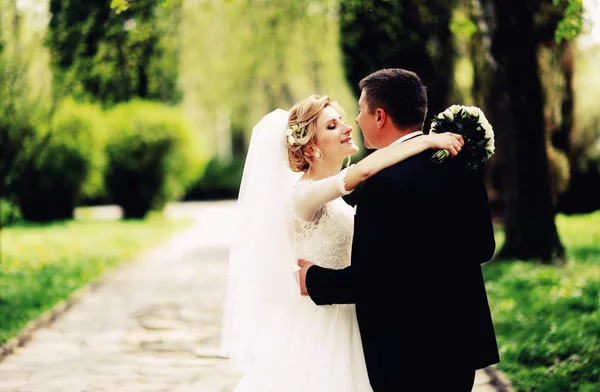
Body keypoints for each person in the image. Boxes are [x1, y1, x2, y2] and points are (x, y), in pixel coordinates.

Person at [220, 91, 465, 392]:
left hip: (354, 316)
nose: (347, 127)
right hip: (322, 324)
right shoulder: (304, 196)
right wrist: (426, 140)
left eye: (342, 120)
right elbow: (363, 170)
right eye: (332, 126)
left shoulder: (338, 200)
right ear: (311, 148)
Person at [298, 68, 500, 391]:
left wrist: (313, 279)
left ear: (380, 116)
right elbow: (483, 247)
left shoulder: (381, 187)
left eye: (360, 112)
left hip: (406, 354)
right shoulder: (459, 163)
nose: (357, 121)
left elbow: (370, 280)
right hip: (460, 344)